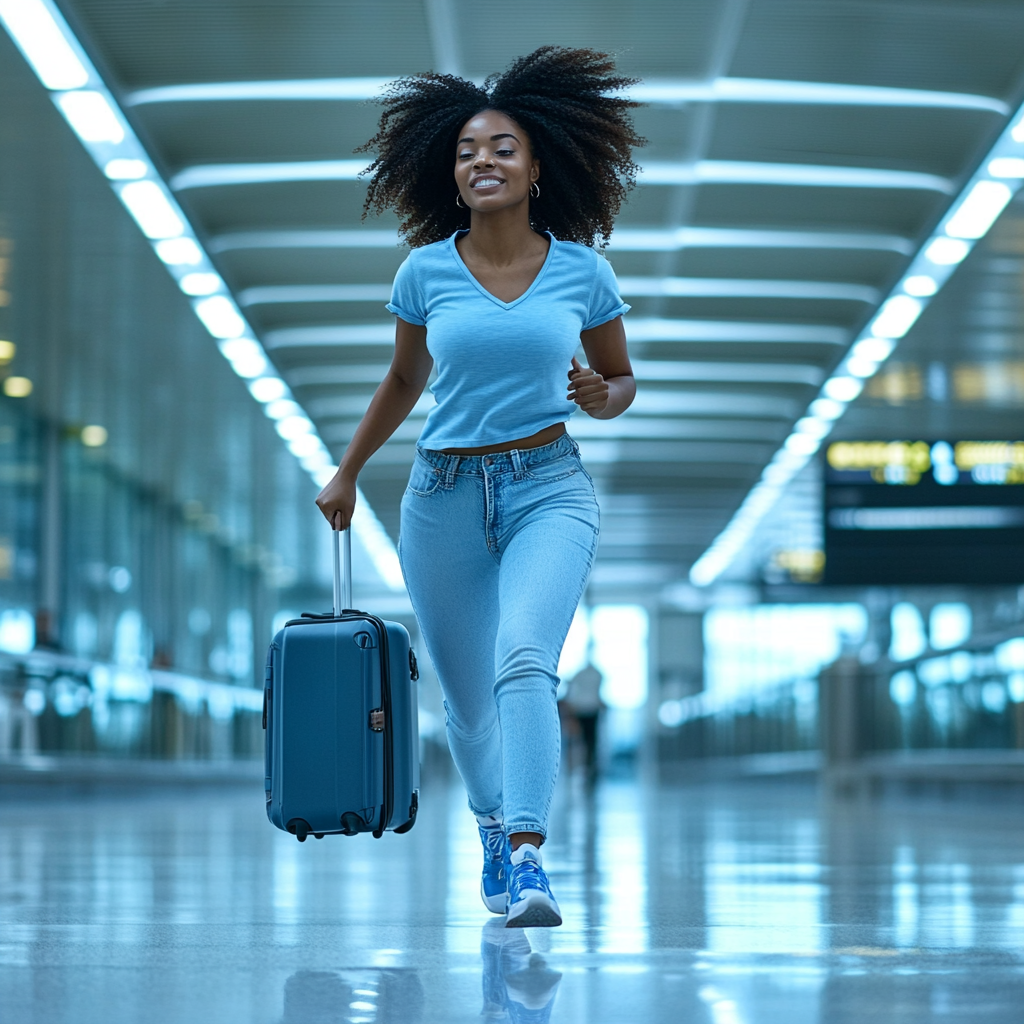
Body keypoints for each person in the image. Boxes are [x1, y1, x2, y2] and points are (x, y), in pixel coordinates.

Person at [315, 47, 643, 928]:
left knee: (525, 661)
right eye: (467, 151)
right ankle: (493, 825)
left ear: (537, 167)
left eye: (503, 147)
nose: (483, 161)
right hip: (442, 494)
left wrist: (597, 398)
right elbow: (402, 383)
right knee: (465, 701)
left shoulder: (584, 271)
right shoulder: (424, 271)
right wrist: (347, 471)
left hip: (548, 486)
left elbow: (620, 382)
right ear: (449, 174)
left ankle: (531, 856)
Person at [564, 659, 605, 781]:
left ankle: (588, 769)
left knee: (588, 742)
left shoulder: (593, 673)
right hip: (583, 710)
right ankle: (579, 769)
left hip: (587, 710)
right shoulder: (592, 673)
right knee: (585, 742)